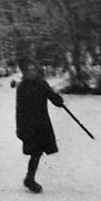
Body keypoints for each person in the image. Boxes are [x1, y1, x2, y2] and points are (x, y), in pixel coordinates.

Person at [15, 60, 64, 193]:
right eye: (29, 70)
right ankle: (29, 179)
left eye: (34, 70)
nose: (32, 73)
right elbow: (19, 109)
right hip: (29, 125)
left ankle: (29, 178)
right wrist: (19, 128)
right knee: (36, 152)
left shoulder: (41, 84)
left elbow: (52, 97)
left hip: (42, 123)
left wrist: (58, 100)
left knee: (38, 152)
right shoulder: (22, 87)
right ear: (25, 73)